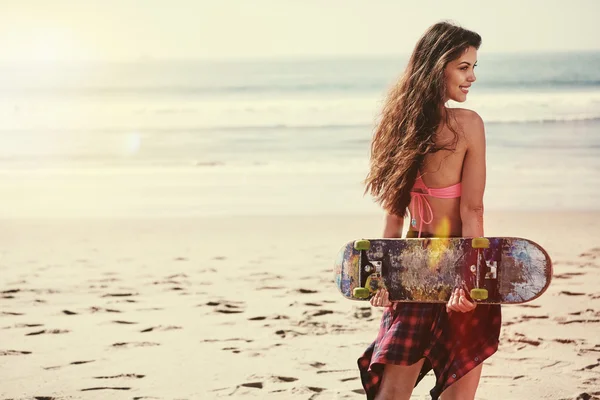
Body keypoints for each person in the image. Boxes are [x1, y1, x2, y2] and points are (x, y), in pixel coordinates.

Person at [358, 21, 502, 400]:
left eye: (474, 67)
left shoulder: (395, 125)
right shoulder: (468, 125)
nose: (472, 77)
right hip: (459, 269)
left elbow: (393, 218)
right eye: (463, 67)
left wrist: (384, 277)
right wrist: (471, 279)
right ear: (439, 66)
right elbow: (473, 210)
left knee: (392, 393)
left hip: (412, 267)